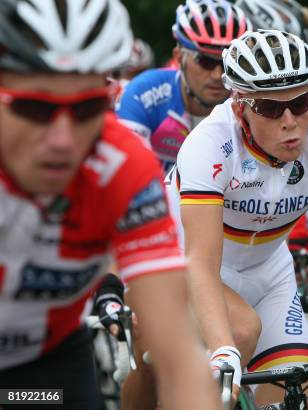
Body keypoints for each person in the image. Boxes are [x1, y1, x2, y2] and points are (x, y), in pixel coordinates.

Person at [0, 1, 217, 409]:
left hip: (46, 356)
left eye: (88, 109)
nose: (63, 140)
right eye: (35, 108)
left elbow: (177, 353)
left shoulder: (123, 165)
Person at [168, 29, 308, 406]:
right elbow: (202, 263)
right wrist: (222, 347)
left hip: (270, 272)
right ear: (240, 104)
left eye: (301, 102)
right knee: (239, 334)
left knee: (304, 390)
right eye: (271, 109)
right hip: (190, 265)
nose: (290, 120)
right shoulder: (209, 144)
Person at [116, 0, 250, 173]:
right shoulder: (143, 93)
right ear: (179, 58)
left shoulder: (251, 106)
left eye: (227, 64)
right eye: (205, 61)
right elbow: (126, 171)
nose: (218, 75)